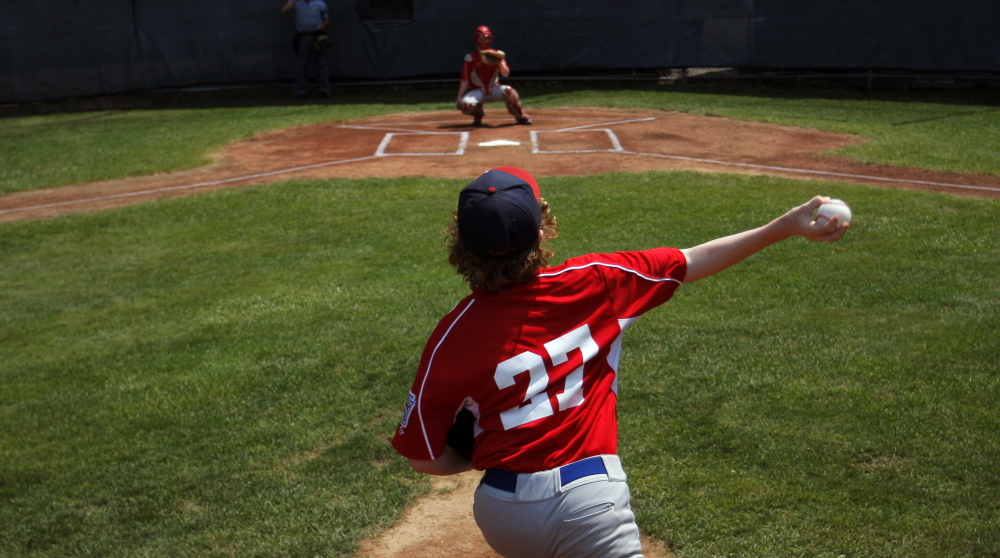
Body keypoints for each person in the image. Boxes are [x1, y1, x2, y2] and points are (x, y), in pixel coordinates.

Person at [391, 167, 849, 558]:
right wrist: (783, 227)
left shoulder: (450, 337)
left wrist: (476, 454)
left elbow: (423, 458)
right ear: (542, 229)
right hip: (590, 501)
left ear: (460, 243)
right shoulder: (597, 281)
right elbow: (692, 260)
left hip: (502, 513)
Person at [456, 26, 532, 127]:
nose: (483, 41)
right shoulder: (471, 57)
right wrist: (459, 97)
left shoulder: (496, 54)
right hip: (478, 91)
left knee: (509, 91)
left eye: (486, 38)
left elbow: (505, 74)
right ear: (476, 39)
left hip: (493, 88)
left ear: (490, 39)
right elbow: (465, 79)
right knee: (465, 105)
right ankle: (478, 113)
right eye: (481, 38)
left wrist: (499, 61)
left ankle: (520, 115)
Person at [281, 0, 331, 99]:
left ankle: (325, 91)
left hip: (317, 36)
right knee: (302, 65)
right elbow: (284, 11)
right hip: (303, 35)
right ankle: (301, 92)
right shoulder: (296, 3)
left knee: (321, 65)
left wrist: (324, 25)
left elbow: (327, 19)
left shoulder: (320, 3)